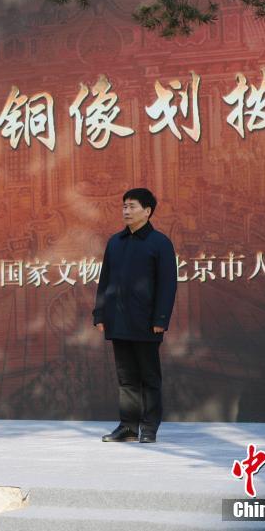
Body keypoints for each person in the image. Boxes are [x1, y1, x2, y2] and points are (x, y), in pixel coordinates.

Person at [94, 188, 177, 444]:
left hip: (146, 322)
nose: (126, 211)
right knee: (126, 378)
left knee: (149, 377)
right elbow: (105, 280)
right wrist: (100, 313)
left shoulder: (160, 243)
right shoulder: (115, 242)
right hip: (119, 321)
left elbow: (167, 284)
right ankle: (128, 426)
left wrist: (160, 320)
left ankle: (149, 427)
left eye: (131, 206)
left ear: (147, 211)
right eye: (124, 206)